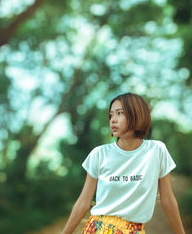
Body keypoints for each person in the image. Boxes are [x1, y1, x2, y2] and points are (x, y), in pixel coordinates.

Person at [61, 93, 185, 234]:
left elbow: (168, 199)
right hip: (99, 229)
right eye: (111, 115)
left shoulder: (156, 151)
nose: (113, 120)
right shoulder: (99, 154)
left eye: (119, 113)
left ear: (137, 115)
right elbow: (83, 202)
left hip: (136, 230)